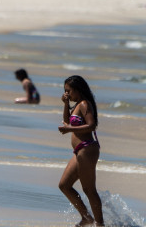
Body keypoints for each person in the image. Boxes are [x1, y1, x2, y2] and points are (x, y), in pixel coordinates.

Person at [58, 75, 104, 226]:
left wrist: (69, 128)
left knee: (89, 190)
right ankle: (86, 218)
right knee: (64, 185)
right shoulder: (77, 104)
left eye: (68, 91)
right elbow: (67, 121)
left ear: (78, 90)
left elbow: (92, 125)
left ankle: (100, 224)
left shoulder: (84, 104)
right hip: (79, 151)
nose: (66, 94)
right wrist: (65, 104)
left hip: (87, 148)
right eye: (65, 91)